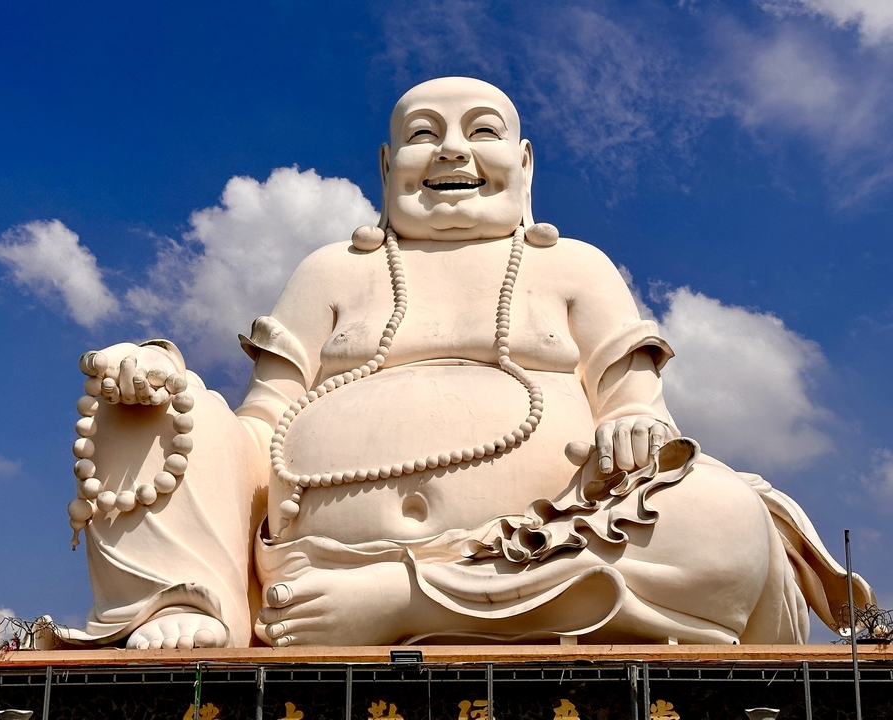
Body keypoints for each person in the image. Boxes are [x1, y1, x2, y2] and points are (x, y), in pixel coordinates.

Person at [63, 77, 871, 650]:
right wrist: (162, 381)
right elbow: (259, 428)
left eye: (481, 131)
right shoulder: (331, 273)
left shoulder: (573, 267)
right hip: (311, 561)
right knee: (163, 402)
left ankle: (403, 599)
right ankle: (192, 596)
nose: (451, 150)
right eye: (422, 135)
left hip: (543, 544)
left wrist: (629, 426)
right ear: (386, 171)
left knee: (723, 518)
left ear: (524, 166)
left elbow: (641, 408)